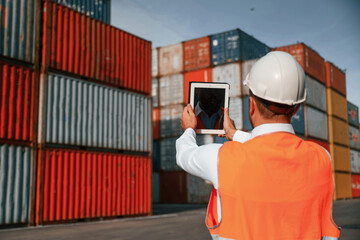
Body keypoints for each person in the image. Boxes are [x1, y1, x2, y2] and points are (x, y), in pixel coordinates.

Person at [176, 51, 340, 240]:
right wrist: (234, 134)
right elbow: (273, 150)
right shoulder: (322, 158)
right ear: (297, 108)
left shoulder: (222, 159)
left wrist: (189, 129)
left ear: (251, 105)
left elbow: (184, 155)